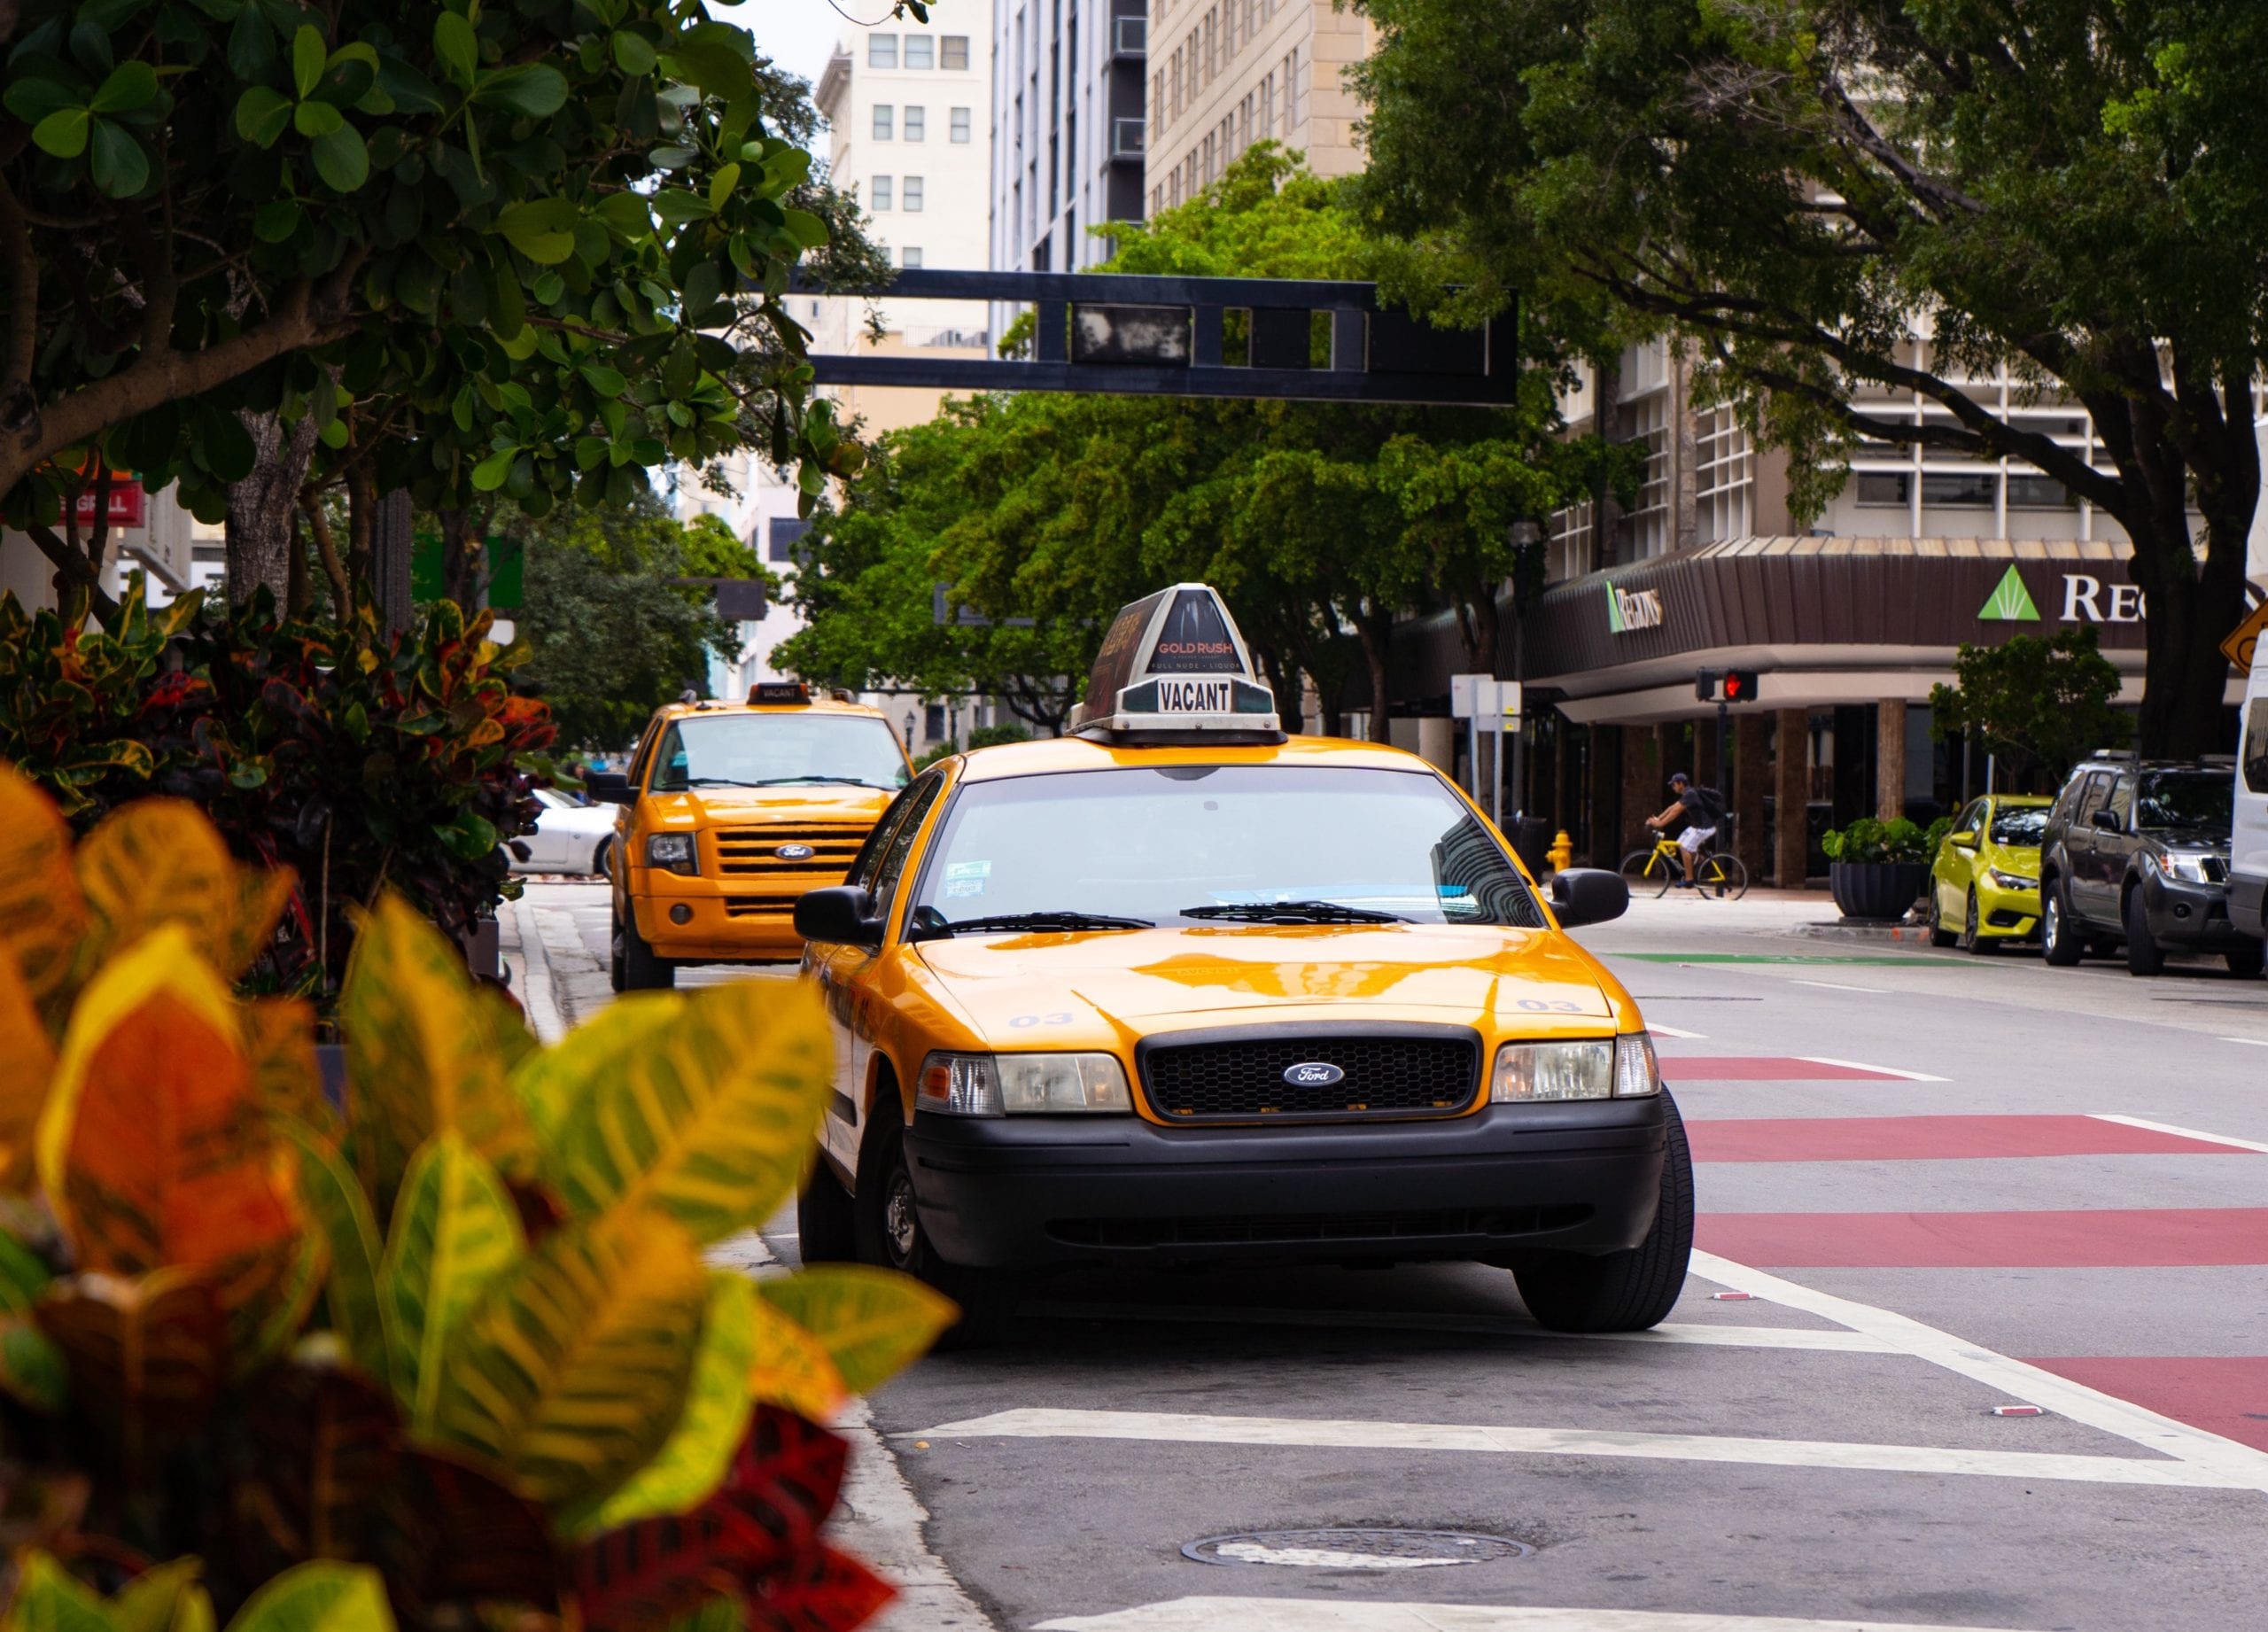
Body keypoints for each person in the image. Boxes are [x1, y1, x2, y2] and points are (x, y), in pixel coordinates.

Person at [1646, 772, 1720, 888]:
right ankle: (1700, 860)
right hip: (1696, 827)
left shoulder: (1690, 794)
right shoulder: (1687, 794)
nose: (1673, 787)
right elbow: (1672, 807)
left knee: (1685, 847)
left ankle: (1689, 879)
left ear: (1681, 784)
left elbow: (1675, 813)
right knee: (1681, 843)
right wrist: (1658, 818)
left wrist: (1660, 823)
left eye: (1674, 784)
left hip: (1704, 828)